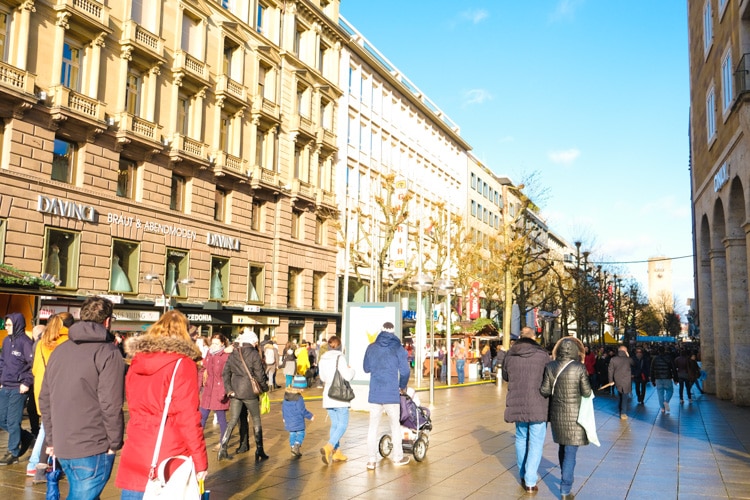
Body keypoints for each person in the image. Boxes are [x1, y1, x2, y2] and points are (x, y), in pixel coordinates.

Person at [115, 310, 208, 498]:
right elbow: (188, 417)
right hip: (168, 451)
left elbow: (131, 402)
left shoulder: (137, 361)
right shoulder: (183, 363)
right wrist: (200, 461)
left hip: (136, 447)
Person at [39, 297, 125, 499]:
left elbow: (45, 398)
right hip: (92, 445)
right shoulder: (108, 352)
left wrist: (52, 439)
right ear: (107, 321)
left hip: (64, 443)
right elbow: (111, 404)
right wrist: (114, 443)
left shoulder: (60, 350)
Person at [540, 337, 592, 500]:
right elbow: (586, 392)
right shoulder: (579, 368)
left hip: (557, 415)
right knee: (570, 451)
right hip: (575, 416)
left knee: (563, 447)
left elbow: (545, 391)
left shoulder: (550, 366)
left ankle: (565, 479)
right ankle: (565, 488)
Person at [502, 326, 550, 494]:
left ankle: (523, 474)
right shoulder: (543, 355)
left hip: (517, 402)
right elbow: (549, 378)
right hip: (538, 403)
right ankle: (530, 480)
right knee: (536, 441)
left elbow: (505, 376)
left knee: (521, 438)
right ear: (534, 337)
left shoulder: (510, 354)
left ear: (520, 337)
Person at [28, 313, 72, 483]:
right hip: (59, 390)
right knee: (50, 431)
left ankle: (39, 467)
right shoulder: (68, 342)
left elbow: (34, 368)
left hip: (42, 389)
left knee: (47, 428)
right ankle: (37, 465)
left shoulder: (40, 343)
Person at [363, 321, 411, 470]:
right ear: (393, 332)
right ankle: (397, 457)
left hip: (375, 393)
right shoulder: (398, 348)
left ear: (381, 330)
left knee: (373, 427)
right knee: (395, 426)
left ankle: (371, 460)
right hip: (391, 393)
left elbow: (366, 368)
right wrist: (402, 386)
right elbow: (405, 371)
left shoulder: (371, 347)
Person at [219, 329, 270, 462]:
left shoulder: (234, 353)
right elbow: (260, 375)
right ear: (253, 342)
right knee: (256, 419)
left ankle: (223, 448)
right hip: (250, 393)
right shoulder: (254, 354)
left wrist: (229, 390)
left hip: (235, 392)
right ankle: (259, 450)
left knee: (233, 420)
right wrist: (264, 389)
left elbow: (226, 373)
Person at [0, 312, 34, 466]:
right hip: (5, 385)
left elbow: (32, 365)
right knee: (2, 419)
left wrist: (26, 382)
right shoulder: (6, 341)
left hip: (18, 388)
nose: (6, 327)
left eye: (8, 325)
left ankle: (13, 452)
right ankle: (26, 437)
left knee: (13, 421)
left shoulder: (26, 343)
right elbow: (2, 362)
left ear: (17, 325)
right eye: (5, 325)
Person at [318, 335, 355, 464]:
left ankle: (337, 453)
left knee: (335, 424)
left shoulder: (322, 358)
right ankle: (329, 447)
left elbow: (322, 377)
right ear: (340, 346)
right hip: (339, 396)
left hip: (328, 394)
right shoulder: (340, 357)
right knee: (343, 424)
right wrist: (351, 370)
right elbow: (347, 376)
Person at [200, 334, 231, 451]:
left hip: (219, 390)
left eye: (216, 343)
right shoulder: (209, 353)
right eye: (212, 343)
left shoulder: (226, 355)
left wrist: (224, 390)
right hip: (208, 390)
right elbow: (204, 369)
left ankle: (223, 443)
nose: (214, 345)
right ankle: (197, 442)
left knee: (221, 419)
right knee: (202, 417)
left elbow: (228, 374)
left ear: (222, 343)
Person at [281, 386, 314, 457]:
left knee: (292, 434)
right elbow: (302, 410)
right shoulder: (299, 398)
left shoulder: (286, 396)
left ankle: (293, 448)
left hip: (289, 420)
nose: (303, 390)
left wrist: (284, 417)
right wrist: (310, 416)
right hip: (298, 420)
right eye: (302, 388)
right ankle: (296, 446)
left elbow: (283, 408)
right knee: (301, 433)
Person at [608, 345, 634, 419]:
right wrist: (628, 356)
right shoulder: (628, 359)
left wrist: (610, 381)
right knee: (625, 396)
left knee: (620, 395)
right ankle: (623, 412)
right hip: (626, 380)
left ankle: (621, 409)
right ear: (625, 351)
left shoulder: (613, 359)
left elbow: (610, 370)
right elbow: (634, 364)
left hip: (617, 380)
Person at [650, 346, 677, 414]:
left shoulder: (655, 359)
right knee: (670, 391)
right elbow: (673, 368)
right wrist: (675, 378)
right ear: (664, 350)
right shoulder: (669, 358)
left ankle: (662, 408)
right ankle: (666, 401)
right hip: (667, 377)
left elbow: (652, 369)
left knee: (660, 393)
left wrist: (652, 379)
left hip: (658, 378)